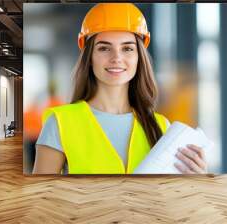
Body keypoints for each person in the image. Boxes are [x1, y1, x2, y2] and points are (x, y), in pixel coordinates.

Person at [32, 3, 207, 174]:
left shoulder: (161, 126)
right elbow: (42, 197)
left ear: (139, 57)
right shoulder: (60, 123)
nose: (116, 58)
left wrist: (194, 179)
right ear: (90, 57)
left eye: (127, 48)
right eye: (104, 48)